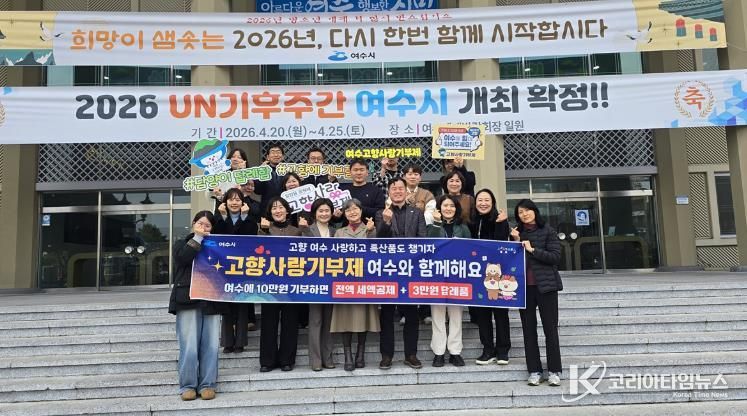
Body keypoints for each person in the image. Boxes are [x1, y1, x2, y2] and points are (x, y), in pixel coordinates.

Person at [168, 210, 227, 401]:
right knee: (189, 345)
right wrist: (198, 238)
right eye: (200, 223)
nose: (203, 227)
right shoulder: (181, 243)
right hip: (187, 299)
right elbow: (183, 258)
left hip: (211, 298)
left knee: (211, 345)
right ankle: (187, 385)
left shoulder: (218, 246)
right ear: (193, 223)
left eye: (207, 225)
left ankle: (208, 384)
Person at [510, 199, 563, 387]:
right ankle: (534, 371)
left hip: (546, 287)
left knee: (551, 330)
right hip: (524, 289)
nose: (524, 214)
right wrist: (516, 242)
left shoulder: (548, 231)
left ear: (535, 211)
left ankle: (554, 371)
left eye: (527, 210)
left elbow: (555, 257)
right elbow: (509, 259)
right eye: (520, 212)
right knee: (528, 330)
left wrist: (532, 250)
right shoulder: (516, 233)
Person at [375, 177, 427, 369]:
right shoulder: (381, 213)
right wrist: (386, 222)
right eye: (394, 188)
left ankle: (411, 354)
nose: (397, 191)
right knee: (387, 315)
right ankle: (386, 355)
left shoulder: (417, 213)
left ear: (406, 191)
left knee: (412, 315)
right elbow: (379, 241)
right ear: (389, 192)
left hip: (411, 271)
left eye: (400, 188)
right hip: (389, 271)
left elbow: (423, 240)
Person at [330, 198, 380, 371]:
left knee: (363, 318)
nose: (352, 212)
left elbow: (376, 252)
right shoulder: (339, 232)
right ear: (344, 214)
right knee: (345, 319)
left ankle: (360, 353)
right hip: (344, 281)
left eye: (355, 209)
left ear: (361, 211)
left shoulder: (370, 229)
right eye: (348, 210)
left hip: (365, 281)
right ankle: (348, 355)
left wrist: (371, 232)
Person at [257, 197, 302, 372]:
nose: (278, 211)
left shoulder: (296, 231)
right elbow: (256, 252)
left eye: (281, 207)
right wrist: (264, 231)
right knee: (268, 323)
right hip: (269, 284)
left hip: (292, 284)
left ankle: (287, 360)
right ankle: (267, 361)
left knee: (290, 322)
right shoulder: (263, 228)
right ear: (270, 212)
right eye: (274, 208)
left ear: (287, 210)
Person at [426, 195, 470, 367]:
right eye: (445, 205)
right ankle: (438, 352)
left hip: (457, 277)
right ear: (439, 208)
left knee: (456, 314)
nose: (448, 208)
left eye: (452, 205)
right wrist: (437, 223)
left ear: (456, 208)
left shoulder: (463, 228)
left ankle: (455, 351)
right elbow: (429, 245)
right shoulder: (431, 226)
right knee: (437, 314)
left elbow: (471, 249)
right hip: (436, 276)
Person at [469, 188, 512, 366]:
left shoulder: (500, 220)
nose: (483, 203)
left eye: (487, 200)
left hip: (498, 273)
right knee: (483, 314)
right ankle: (488, 350)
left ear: (493, 202)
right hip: (477, 274)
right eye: (480, 200)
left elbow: (502, 245)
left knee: (501, 313)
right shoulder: (471, 221)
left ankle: (503, 350)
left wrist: (501, 224)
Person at [214, 189, 259, 353]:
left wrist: (245, 217)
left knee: (242, 306)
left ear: (243, 203)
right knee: (226, 305)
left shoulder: (250, 220)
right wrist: (224, 217)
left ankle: (240, 342)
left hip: (243, 268)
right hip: (224, 269)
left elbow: (247, 237)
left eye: (237, 200)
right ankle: (227, 342)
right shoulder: (218, 219)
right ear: (225, 202)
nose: (234, 203)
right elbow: (222, 236)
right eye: (231, 199)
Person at [301, 198, 337, 371]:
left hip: (332, 281)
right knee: (315, 321)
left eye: (327, 210)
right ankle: (315, 360)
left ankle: (327, 358)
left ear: (332, 213)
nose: (324, 214)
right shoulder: (307, 230)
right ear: (314, 213)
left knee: (329, 322)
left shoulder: (336, 231)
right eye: (320, 211)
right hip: (313, 282)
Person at [338, 158, 386, 224]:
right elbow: (338, 218)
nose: (359, 173)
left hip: (370, 228)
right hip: (347, 228)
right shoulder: (343, 191)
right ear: (350, 172)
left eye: (362, 170)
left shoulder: (376, 191)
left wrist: (358, 208)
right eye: (355, 170)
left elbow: (380, 212)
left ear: (367, 172)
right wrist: (336, 216)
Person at [254, 143, 286, 214]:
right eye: (273, 152)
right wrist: (261, 173)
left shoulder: (289, 171)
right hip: (267, 208)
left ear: (283, 157)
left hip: (285, 207)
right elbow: (257, 191)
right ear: (268, 157)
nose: (276, 155)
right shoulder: (261, 170)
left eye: (278, 152)